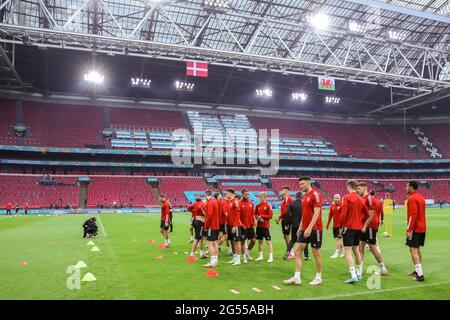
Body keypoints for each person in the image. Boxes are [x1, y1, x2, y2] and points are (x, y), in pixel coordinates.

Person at [284, 177, 323, 286]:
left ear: (308, 183)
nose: (300, 186)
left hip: (315, 229)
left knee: (316, 253)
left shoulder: (315, 194)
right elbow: (304, 215)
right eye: (299, 184)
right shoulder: (304, 196)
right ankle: (297, 277)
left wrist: (310, 227)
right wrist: (301, 227)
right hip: (305, 229)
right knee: (297, 251)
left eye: (302, 184)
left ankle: (319, 277)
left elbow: (316, 213)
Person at [339, 179, 367, 284]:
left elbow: (343, 215)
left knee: (347, 251)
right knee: (356, 250)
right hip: (358, 228)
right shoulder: (361, 199)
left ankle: (353, 275)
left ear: (349, 186)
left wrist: (341, 227)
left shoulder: (346, 197)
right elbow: (367, 215)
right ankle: (359, 272)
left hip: (349, 228)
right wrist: (360, 222)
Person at [357, 182, 388, 276]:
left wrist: (365, 226)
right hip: (364, 226)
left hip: (370, 226)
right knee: (360, 247)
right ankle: (359, 269)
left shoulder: (369, 198)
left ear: (364, 188)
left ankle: (383, 268)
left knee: (372, 247)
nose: (357, 190)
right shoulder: (364, 199)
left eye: (359, 188)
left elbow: (371, 215)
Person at [405, 180, 426, 282]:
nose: (406, 188)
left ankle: (420, 274)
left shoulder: (412, 199)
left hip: (415, 228)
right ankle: (417, 270)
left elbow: (413, 215)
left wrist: (409, 229)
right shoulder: (421, 197)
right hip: (422, 227)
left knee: (413, 249)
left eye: (407, 186)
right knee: (416, 249)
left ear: (411, 188)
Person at [284, 192, 310, 261]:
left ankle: (287, 252)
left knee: (293, 240)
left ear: (295, 196)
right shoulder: (304, 203)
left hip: (294, 225)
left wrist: (288, 223)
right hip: (302, 225)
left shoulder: (292, 203)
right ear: (301, 197)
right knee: (305, 240)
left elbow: (287, 213)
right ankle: (306, 256)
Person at [225, 189, 243, 266]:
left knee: (237, 242)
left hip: (235, 225)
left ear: (231, 194)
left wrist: (235, 225)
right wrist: (227, 224)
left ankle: (238, 260)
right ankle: (234, 258)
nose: (226, 195)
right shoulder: (229, 202)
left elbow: (238, 214)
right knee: (232, 242)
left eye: (227, 193)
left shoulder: (235, 201)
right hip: (229, 225)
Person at [254, 192, 274, 263]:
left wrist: (262, 216)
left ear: (265, 197)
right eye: (259, 197)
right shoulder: (257, 206)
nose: (260, 198)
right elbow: (255, 214)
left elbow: (270, 216)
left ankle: (271, 257)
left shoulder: (268, 205)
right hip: (259, 226)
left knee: (268, 242)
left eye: (261, 197)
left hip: (266, 226)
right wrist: (258, 218)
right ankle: (260, 256)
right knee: (260, 241)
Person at [203, 190, 220, 267]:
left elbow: (209, 215)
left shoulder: (210, 202)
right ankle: (215, 260)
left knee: (209, 243)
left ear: (206, 195)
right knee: (215, 243)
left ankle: (212, 261)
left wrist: (206, 225)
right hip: (216, 225)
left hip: (211, 226)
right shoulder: (214, 201)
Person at [275, 186, 293, 258]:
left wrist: (279, 217)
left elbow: (286, 211)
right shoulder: (284, 199)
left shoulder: (288, 199)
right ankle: (288, 251)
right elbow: (283, 211)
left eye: (282, 191)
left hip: (287, 219)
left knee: (287, 236)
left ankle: (291, 252)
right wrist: (280, 218)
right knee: (285, 236)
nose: (281, 192)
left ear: (285, 191)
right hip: (284, 219)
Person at [239, 189, 256, 263]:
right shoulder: (239, 203)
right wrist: (241, 224)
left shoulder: (251, 203)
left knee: (253, 240)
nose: (248, 196)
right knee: (243, 242)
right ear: (242, 195)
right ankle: (243, 257)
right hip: (243, 226)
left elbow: (253, 214)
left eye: (248, 194)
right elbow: (237, 216)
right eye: (246, 194)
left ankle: (247, 252)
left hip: (250, 225)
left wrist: (254, 220)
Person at [326, 194, 344, 259]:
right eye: (335, 198)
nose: (336, 199)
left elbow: (344, 217)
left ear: (340, 198)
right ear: (333, 198)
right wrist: (328, 224)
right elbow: (330, 215)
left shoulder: (342, 206)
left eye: (338, 198)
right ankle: (344, 251)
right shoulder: (332, 206)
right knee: (338, 239)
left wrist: (342, 226)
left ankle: (336, 253)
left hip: (340, 226)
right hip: (335, 226)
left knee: (337, 239)